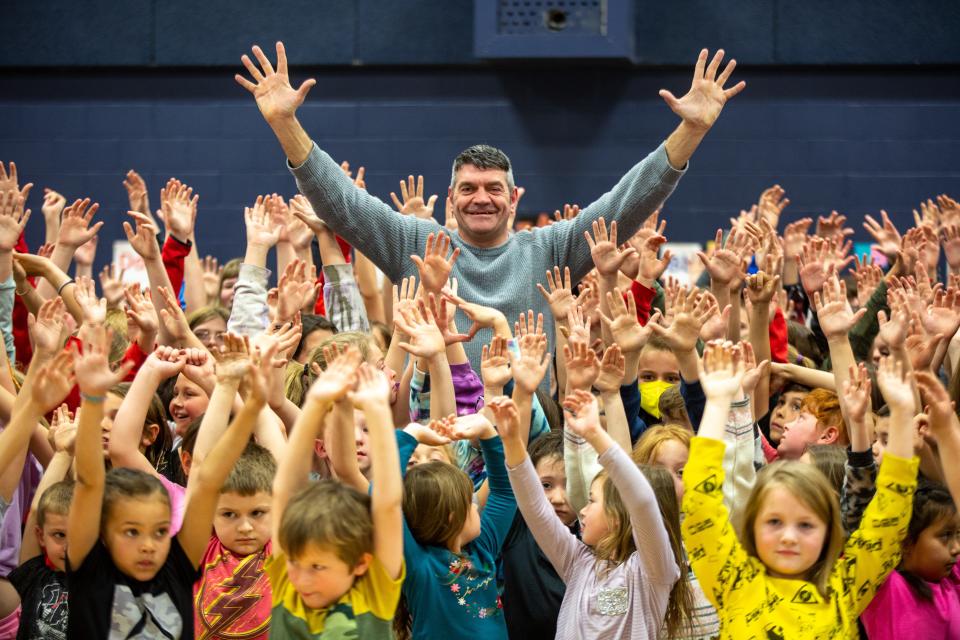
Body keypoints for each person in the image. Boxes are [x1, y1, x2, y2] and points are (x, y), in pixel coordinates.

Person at [234, 42, 745, 382]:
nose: (482, 197)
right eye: (469, 188)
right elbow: (342, 205)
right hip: (440, 437)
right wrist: (285, 124)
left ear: (515, 199)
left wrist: (691, 130)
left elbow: (626, 203)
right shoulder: (416, 243)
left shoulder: (549, 249)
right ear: (451, 199)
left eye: (494, 188)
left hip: (531, 436)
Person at [681, 342, 918, 637]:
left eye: (806, 525)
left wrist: (903, 416)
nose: (789, 537)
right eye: (774, 522)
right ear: (752, 526)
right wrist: (717, 403)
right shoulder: (734, 580)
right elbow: (700, 505)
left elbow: (889, 519)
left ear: (830, 531)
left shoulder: (845, 588)